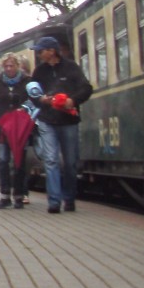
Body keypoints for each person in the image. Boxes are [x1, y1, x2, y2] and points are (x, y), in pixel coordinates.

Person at [30, 35, 93, 213]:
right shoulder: (39, 72)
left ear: (52, 51)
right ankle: (54, 201)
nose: (39, 54)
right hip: (47, 120)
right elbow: (32, 94)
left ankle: (69, 198)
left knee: (70, 162)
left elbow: (86, 88)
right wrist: (41, 99)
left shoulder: (71, 67)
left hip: (68, 121)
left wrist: (73, 101)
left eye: (41, 51)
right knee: (51, 160)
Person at [0, 54, 33, 209]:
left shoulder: (26, 82)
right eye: (6, 66)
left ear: (18, 66)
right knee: (3, 161)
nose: (9, 69)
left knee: (19, 163)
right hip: (2, 128)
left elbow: (33, 102)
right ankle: (5, 195)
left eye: (12, 66)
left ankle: (18, 195)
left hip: (19, 128)